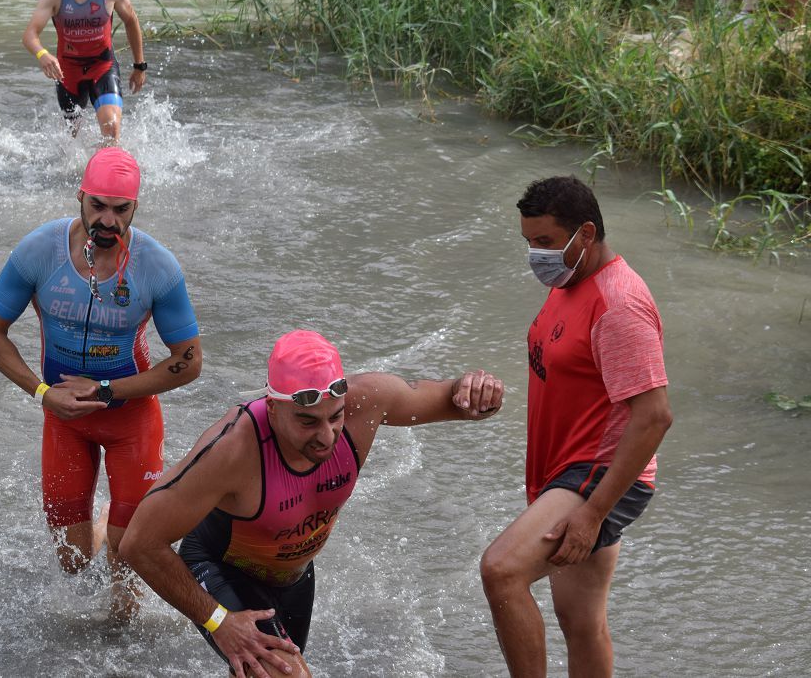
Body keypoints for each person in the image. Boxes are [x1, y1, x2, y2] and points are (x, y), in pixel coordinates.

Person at [122, 329, 505, 678]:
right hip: (219, 566)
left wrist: (476, 390)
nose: (326, 437)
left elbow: (454, 400)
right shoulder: (233, 450)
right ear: (273, 407)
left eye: (335, 417)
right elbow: (139, 543)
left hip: (294, 578)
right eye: (307, 422)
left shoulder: (367, 402)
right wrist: (218, 621)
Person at [0, 147, 202, 620]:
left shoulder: (156, 266)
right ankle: (108, 523)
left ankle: (119, 534)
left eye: (121, 210)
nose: (108, 220)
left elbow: (190, 361)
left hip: (130, 422)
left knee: (129, 574)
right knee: (74, 562)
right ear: (80, 197)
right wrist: (43, 392)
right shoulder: (39, 251)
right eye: (98, 205)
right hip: (63, 420)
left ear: (136, 208)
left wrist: (105, 391)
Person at [479, 176, 673, 677]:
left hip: (595, 473)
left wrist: (591, 513)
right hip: (564, 467)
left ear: (585, 233)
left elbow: (654, 417)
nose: (534, 255)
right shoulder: (569, 281)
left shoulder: (619, 305)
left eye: (544, 242)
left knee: (501, 572)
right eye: (528, 242)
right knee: (581, 620)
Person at [23, 0, 147, 144]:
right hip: (68, 72)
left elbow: (131, 20)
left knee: (111, 130)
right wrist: (42, 54)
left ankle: (108, 161)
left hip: (102, 66)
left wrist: (139, 66)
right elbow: (30, 34)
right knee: (70, 137)